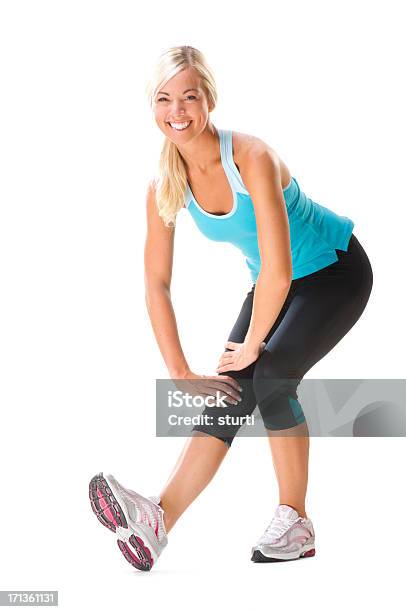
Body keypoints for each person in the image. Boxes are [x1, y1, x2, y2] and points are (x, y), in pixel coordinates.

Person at [88, 45, 373, 571]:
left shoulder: (251, 157)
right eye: (164, 99)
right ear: (152, 108)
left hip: (334, 271)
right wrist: (179, 370)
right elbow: (155, 282)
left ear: (209, 100)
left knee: (272, 374)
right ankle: (156, 522)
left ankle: (296, 521)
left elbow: (282, 269)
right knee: (229, 391)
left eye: (189, 97)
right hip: (272, 283)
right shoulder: (164, 185)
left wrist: (253, 345)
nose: (177, 110)